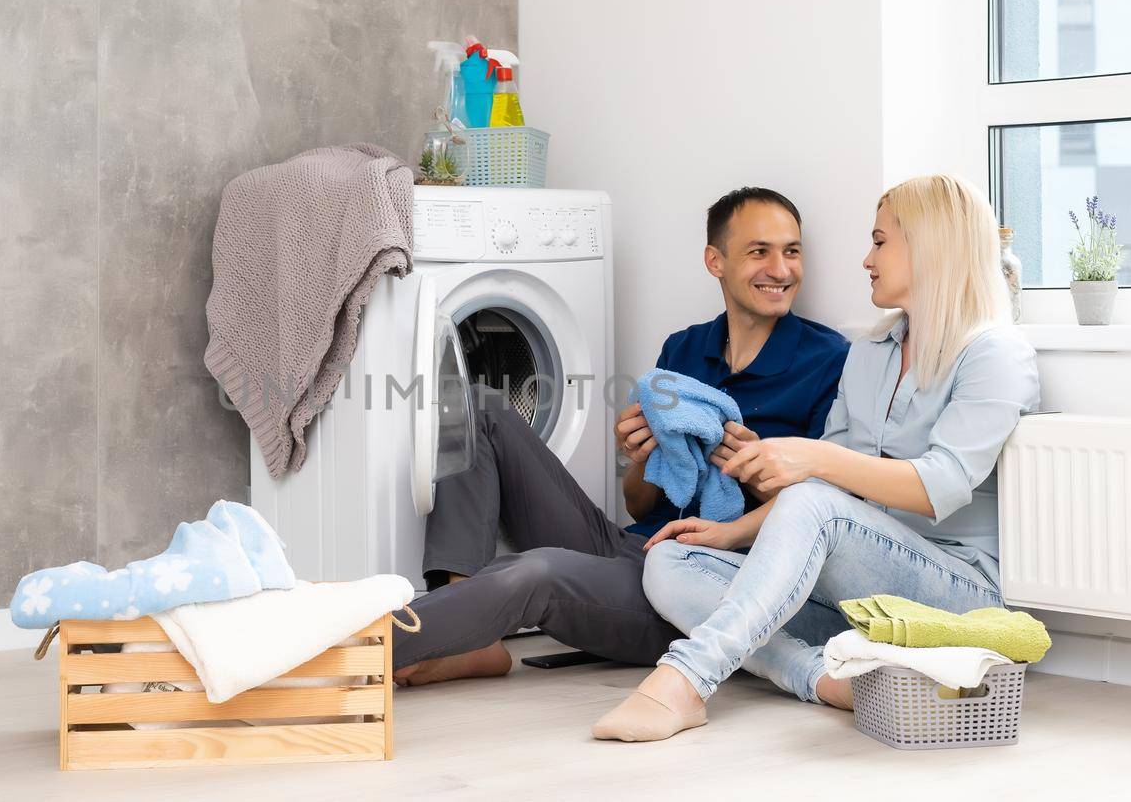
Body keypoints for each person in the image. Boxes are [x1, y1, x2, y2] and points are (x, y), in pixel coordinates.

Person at [591, 174, 1040, 742]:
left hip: (959, 592)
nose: (866, 259)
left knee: (815, 496)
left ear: (928, 246)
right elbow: (834, 492)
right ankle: (819, 677)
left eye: (880, 242)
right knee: (671, 563)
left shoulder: (995, 353)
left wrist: (814, 459)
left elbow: (939, 486)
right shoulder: (873, 353)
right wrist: (731, 534)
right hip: (863, 587)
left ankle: (685, 681)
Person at [393, 188, 849, 686]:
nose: (781, 270)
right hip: (634, 549)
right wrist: (639, 455)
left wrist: (751, 466)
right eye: (759, 251)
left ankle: (348, 647)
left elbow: (823, 513)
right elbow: (639, 505)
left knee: (538, 571)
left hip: (702, 589)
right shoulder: (686, 348)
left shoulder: (827, 361)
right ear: (715, 261)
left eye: (792, 251)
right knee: (480, 404)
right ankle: (471, 640)